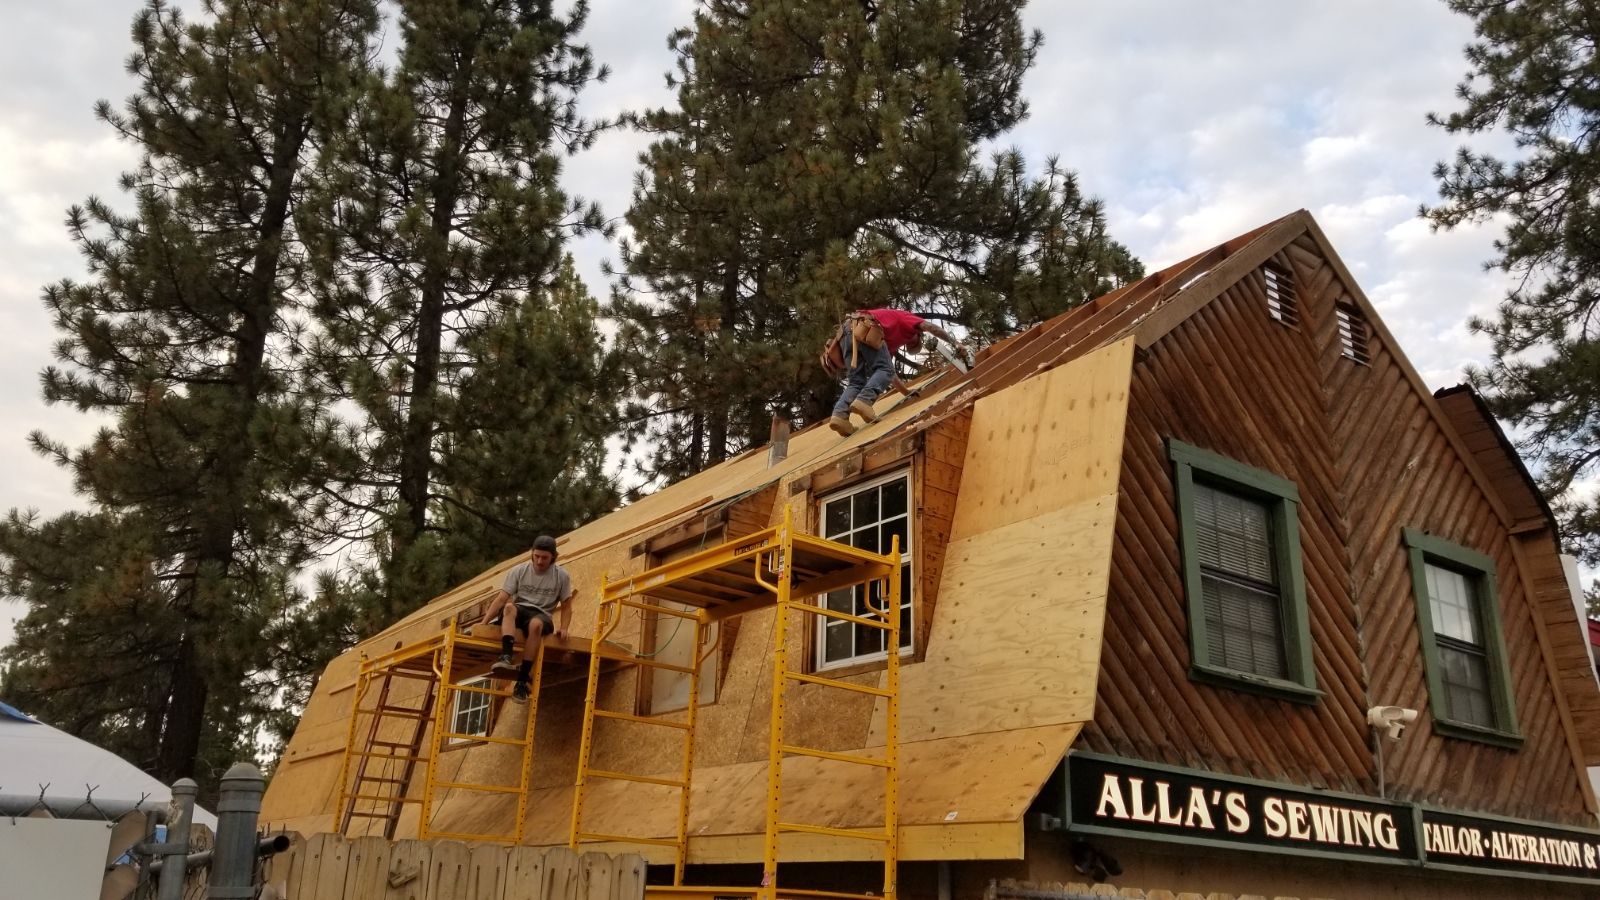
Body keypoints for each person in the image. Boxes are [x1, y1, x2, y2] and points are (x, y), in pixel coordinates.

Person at [829, 307, 970, 437]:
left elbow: (890, 373)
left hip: (846, 332)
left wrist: (906, 391)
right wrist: (955, 343)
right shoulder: (907, 318)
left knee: (856, 381)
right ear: (918, 334)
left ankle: (839, 416)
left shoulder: (888, 341)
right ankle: (864, 401)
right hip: (865, 325)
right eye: (913, 342)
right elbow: (930, 327)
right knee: (883, 369)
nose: (909, 342)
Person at [485, 535, 575, 702]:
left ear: (553, 557)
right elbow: (501, 598)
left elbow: (567, 606)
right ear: (532, 554)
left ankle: (522, 679)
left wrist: (564, 627)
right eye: (537, 556)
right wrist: (483, 623)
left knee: (536, 625)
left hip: (542, 614)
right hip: (521, 608)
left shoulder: (561, 576)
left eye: (545, 558)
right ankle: (506, 655)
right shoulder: (519, 571)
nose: (540, 561)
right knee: (509, 607)